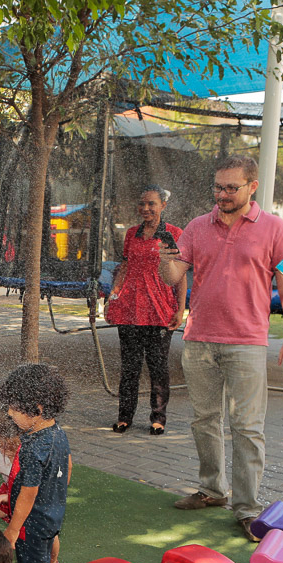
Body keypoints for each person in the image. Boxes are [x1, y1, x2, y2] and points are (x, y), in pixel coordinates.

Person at [158, 154, 283, 541]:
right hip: (199, 338)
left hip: (247, 342)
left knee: (247, 428)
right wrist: (164, 262)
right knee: (204, 420)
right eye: (218, 187)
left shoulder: (274, 229)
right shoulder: (196, 227)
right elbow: (176, 275)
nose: (222, 194)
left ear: (252, 186)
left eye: (230, 188)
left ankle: (249, 508)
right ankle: (211, 491)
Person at [106, 184, 187, 435]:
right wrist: (113, 293)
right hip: (130, 308)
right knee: (129, 365)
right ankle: (124, 416)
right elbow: (125, 266)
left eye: (152, 203)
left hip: (160, 309)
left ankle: (158, 417)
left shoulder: (173, 233)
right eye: (142, 203)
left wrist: (181, 308)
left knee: (158, 366)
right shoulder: (132, 233)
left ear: (163, 205)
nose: (146, 208)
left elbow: (180, 274)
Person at [0, 363, 71, 563]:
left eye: (14, 408)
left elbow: (29, 492)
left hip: (32, 523)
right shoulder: (57, 431)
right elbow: (67, 467)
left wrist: (13, 528)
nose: (9, 413)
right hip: (52, 514)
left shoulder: (32, 446)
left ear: (36, 409)